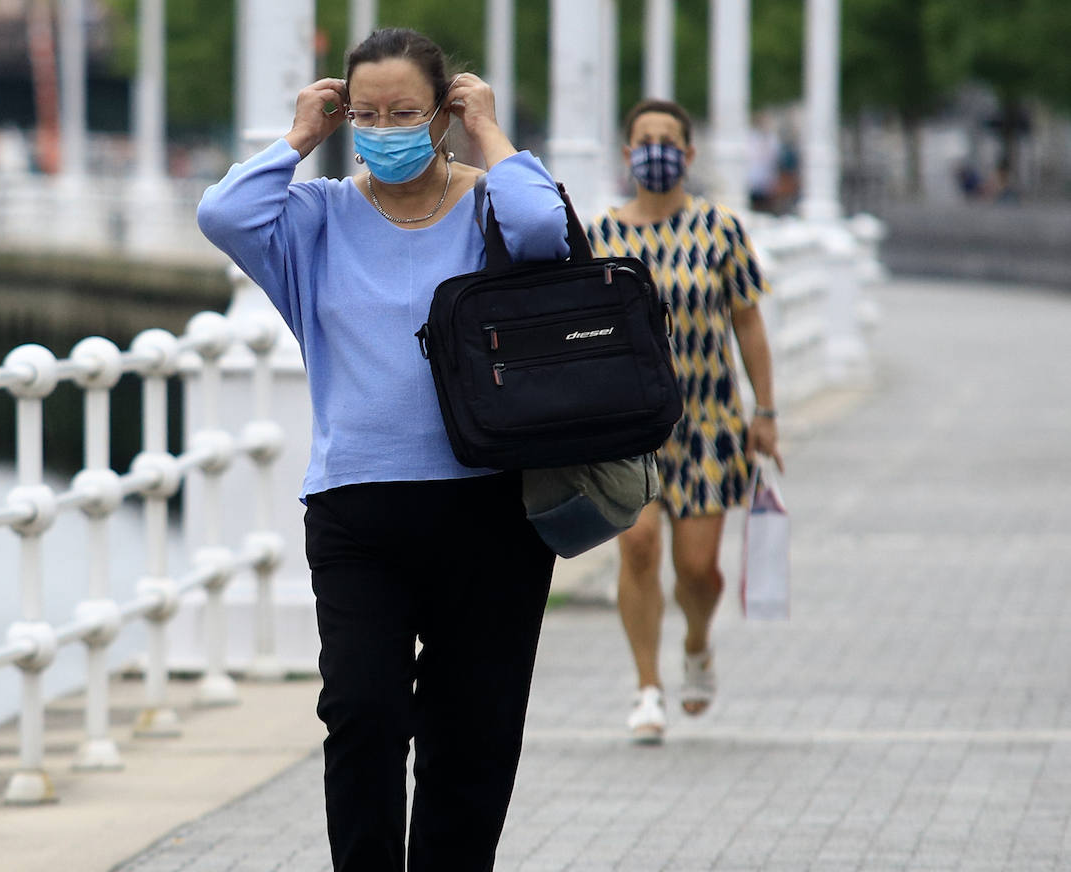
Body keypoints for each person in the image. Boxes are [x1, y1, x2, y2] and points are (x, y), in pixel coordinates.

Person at [196, 28, 570, 871]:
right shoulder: (317, 219)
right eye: (364, 113)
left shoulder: (487, 205)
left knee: (471, 732)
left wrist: (492, 135)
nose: (383, 127)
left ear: (442, 111)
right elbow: (222, 214)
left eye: (404, 111)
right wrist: (297, 138)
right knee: (362, 716)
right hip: (356, 511)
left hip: (491, 509)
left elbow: (547, 231)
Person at [587, 98, 784, 745]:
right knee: (639, 548)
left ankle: (697, 643)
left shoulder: (720, 229)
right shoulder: (599, 237)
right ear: (626, 154)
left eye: (668, 139)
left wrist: (766, 412)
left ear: (689, 154)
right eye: (643, 139)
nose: (656, 150)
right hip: (628, 427)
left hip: (707, 422)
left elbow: (748, 322)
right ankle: (647, 687)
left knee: (699, 570)